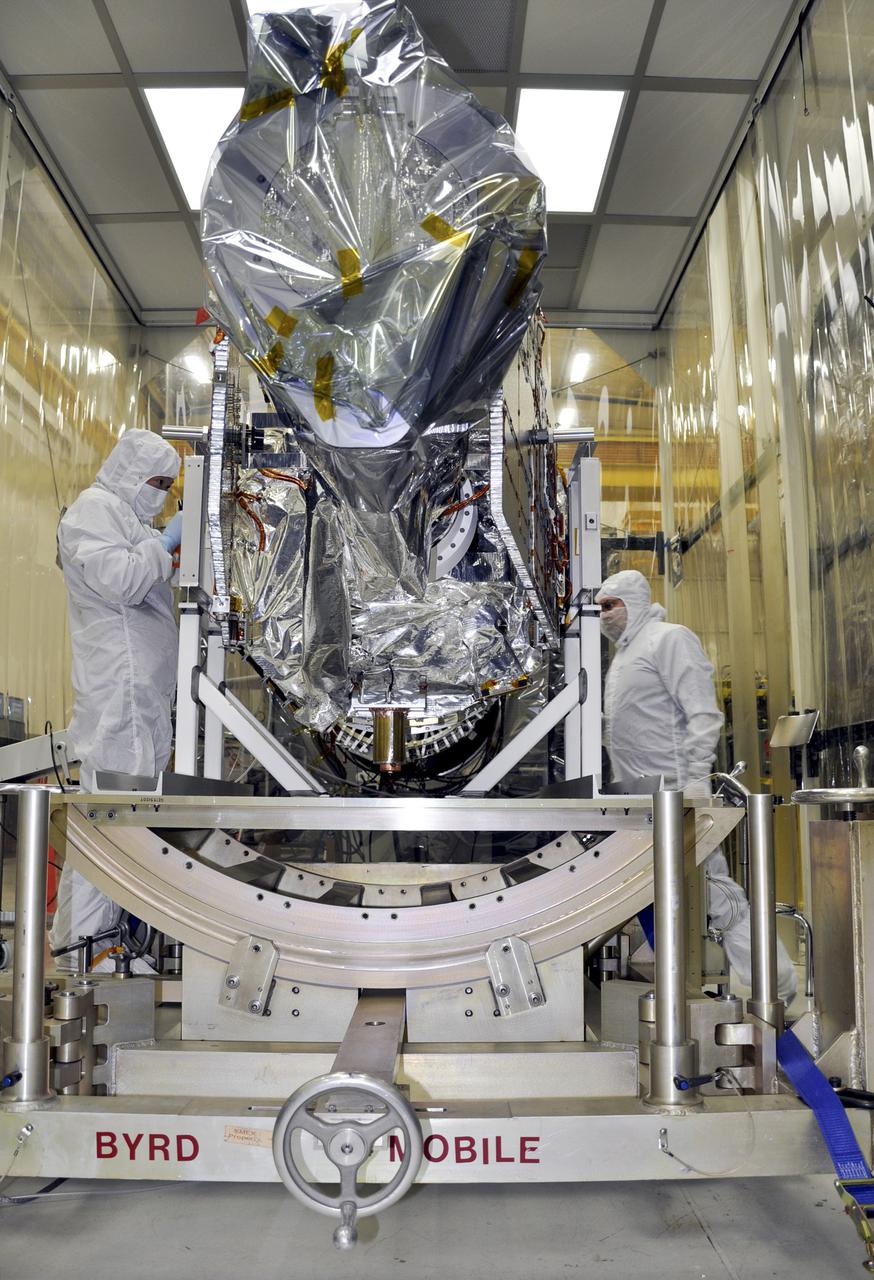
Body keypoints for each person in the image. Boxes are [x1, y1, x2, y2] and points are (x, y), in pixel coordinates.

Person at [596, 569, 796, 1004]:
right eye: (600, 608)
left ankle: (777, 988)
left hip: (677, 794)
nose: (604, 615)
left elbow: (703, 714)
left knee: (716, 895)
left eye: (610, 605)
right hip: (642, 799)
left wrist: (694, 782)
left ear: (633, 601)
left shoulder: (669, 639)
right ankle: (682, 984)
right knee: (667, 893)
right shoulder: (624, 655)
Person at [50, 429, 183, 968]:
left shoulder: (129, 518)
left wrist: (164, 550)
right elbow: (121, 579)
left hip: (140, 698)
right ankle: (85, 951)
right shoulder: (94, 510)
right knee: (109, 824)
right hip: (118, 696)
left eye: (169, 487)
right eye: (158, 483)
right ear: (131, 473)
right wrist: (165, 545)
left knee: (126, 825)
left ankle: (99, 944)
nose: (161, 494)